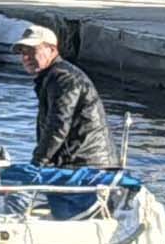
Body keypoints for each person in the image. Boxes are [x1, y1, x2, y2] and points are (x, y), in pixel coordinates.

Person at [19, 28, 115, 170]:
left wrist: (37, 163)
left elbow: (58, 124)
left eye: (32, 51)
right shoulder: (51, 76)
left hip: (87, 165)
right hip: (79, 161)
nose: (26, 57)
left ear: (52, 50)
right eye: (22, 52)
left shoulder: (64, 78)